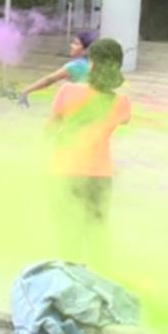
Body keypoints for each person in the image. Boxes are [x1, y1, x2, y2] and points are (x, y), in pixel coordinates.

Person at [48, 38, 131, 268]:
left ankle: (68, 280)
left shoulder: (67, 91)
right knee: (96, 232)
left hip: (65, 171)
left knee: (67, 232)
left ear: (91, 63)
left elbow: (50, 129)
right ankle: (97, 281)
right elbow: (123, 119)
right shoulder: (122, 103)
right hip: (100, 176)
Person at [17, 31, 96, 107]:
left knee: (62, 83)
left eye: (76, 44)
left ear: (85, 49)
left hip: (79, 107)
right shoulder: (94, 63)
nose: (71, 45)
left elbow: (49, 80)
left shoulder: (75, 66)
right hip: (95, 108)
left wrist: (26, 90)